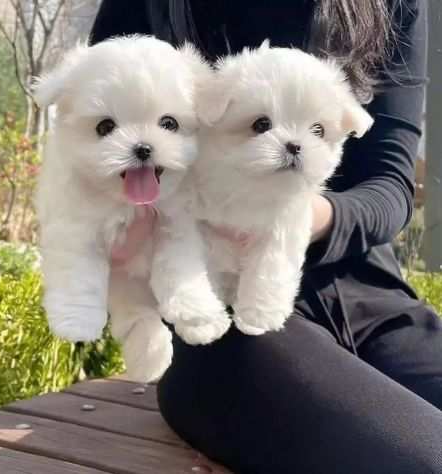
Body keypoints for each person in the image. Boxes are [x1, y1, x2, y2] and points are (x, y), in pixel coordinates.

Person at [90, 1, 442, 472]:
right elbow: (100, 140)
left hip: (371, 301)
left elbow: (390, 183)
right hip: (220, 314)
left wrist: (295, 219)